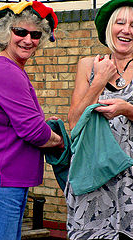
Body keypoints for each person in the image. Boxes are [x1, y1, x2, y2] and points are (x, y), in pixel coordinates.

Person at [0, 1, 64, 239]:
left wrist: (42, 124)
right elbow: (34, 132)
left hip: (3, 180)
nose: (27, 39)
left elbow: (22, 122)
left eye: (35, 34)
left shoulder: (10, 69)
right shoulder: (6, 72)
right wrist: (59, 140)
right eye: (20, 31)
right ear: (6, 32)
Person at [66, 0, 133, 239]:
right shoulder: (88, 65)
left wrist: (127, 109)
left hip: (130, 179)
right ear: (109, 27)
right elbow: (74, 123)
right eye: (121, 22)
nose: (127, 30)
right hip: (93, 177)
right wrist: (98, 81)